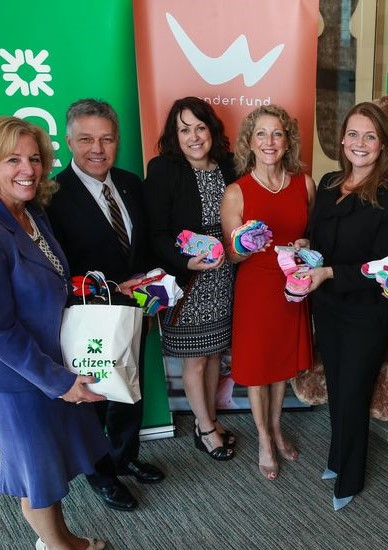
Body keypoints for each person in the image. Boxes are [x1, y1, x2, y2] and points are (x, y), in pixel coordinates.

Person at [46, 99, 164, 512]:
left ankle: (125, 455)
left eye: (107, 138)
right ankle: (101, 473)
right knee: (95, 400)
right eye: (86, 139)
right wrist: (109, 289)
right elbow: (55, 267)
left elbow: (143, 248)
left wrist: (155, 284)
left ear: (117, 141)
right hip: (89, 319)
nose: (97, 148)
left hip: (135, 315)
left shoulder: (131, 183)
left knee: (130, 389)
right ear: (69, 141)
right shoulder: (52, 195)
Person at [0, 116, 109, 549]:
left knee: (49, 471)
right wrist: (60, 382)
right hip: (21, 384)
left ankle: (61, 540)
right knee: (37, 480)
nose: (28, 169)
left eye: (35, 159)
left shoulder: (30, 213)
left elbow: (52, 279)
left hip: (49, 365)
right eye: (13, 159)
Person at [304, 102, 388, 510]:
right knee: (337, 386)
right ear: (342, 140)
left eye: (369, 136)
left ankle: (350, 478)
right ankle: (337, 457)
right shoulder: (330, 183)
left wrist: (329, 273)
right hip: (328, 307)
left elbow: (381, 269)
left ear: (383, 144)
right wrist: (304, 248)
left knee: (352, 391)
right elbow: (318, 239)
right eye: (353, 134)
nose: (360, 143)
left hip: (365, 312)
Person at [220, 104, 315, 480]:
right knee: (259, 370)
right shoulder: (236, 192)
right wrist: (244, 244)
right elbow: (230, 253)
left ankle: (276, 427)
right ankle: (263, 436)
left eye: (277, 133)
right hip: (257, 288)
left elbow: (311, 232)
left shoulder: (303, 183)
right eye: (261, 133)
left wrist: (306, 241)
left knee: (280, 368)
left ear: (287, 139)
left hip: (292, 287)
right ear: (250, 141)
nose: (269, 141)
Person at [143, 97, 236, 461]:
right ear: (174, 135)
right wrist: (187, 260)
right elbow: (157, 233)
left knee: (213, 353)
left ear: (211, 129)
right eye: (184, 129)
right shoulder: (165, 169)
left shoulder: (228, 166)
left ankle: (205, 419)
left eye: (200, 127)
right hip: (189, 280)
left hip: (224, 277)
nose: (194, 136)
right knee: (195, 359)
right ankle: (207, 428)